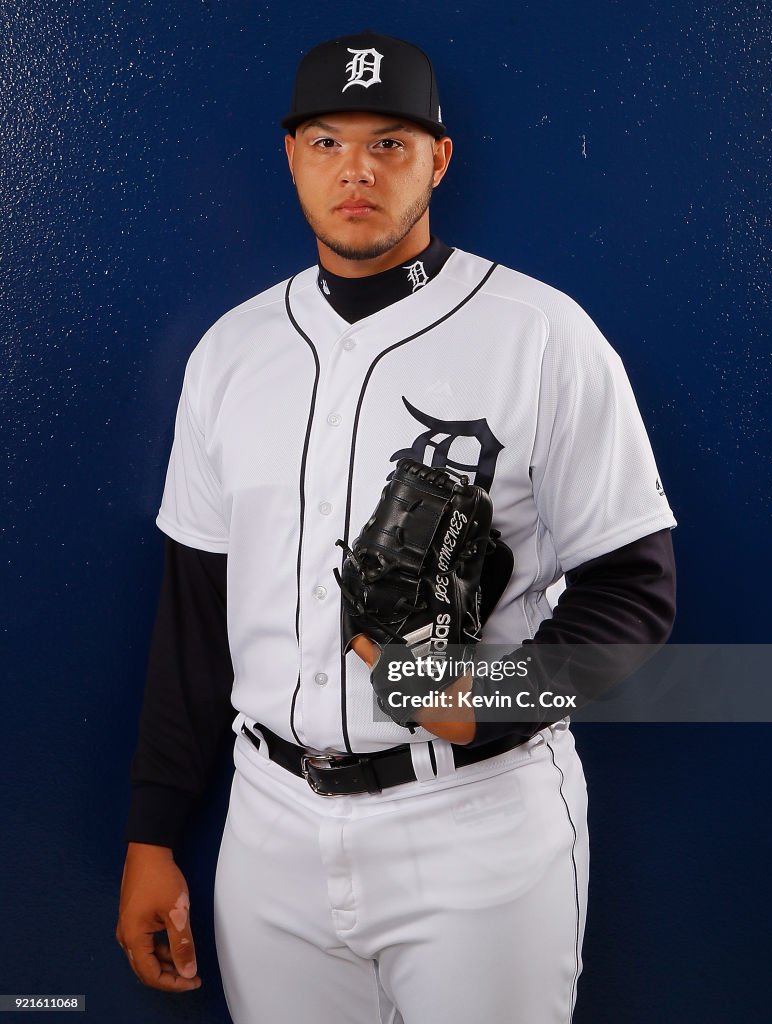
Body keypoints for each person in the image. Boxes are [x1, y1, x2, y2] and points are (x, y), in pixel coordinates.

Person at [116, 30, 677, 1024]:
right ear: (292, 155)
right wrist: (152, 833)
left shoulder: (542, 336)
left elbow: (634, 590)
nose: (357, 172)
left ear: (436, 160)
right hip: (270, 824)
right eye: (328, 143)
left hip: (474, 821)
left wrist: (490, 698)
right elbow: (196, 618)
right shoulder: (230, 353)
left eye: (389, 143)